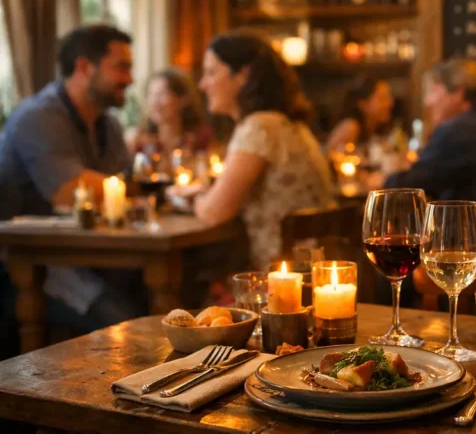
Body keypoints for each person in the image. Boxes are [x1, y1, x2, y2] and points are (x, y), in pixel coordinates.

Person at [0, 24, 147, 331]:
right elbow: (68, 193)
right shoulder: (39, 117)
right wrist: (130, 187)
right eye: (122, 68)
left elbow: (127, 184)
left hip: (94, 256)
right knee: (126, 324)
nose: (130, 79)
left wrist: (130, 186)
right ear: (84, 67)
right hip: (33, 264)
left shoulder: (108, 124)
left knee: (172, 300)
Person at [188, 29, 337, 268]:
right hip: (318, 273)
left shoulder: (259, 128)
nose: (202, 84)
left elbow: (215, 212)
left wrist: (190, 198)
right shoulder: (287, 123)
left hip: (283, 280)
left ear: (242, 75)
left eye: (211, 72)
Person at [383, 58, 476, 219]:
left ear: (458, 93)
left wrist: (386, 176)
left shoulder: (457, 131)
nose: (427, 102)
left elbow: (408, 188)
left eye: (432, 91)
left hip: (470, 237)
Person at [125, 68, 212, 168]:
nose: (155, 102)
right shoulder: (139, 141)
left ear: (183, 99)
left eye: (162, 94)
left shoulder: (200, 139)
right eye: (151, 94)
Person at [325, 77, 394, 151]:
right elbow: (328, 157)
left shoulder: (376, 129)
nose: (390, 103)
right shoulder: (350, 127)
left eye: (389, 97)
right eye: (382, 99)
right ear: (363, 104)